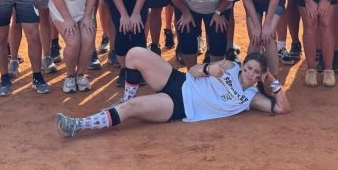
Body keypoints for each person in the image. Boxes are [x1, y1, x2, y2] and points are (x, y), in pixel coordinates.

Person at [56, 49, 289, 137]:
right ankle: (124, 98)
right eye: (248, 68)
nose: (249, 74)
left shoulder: (251, 99)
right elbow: (195, 71)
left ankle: (78, 125)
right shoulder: (229, 67)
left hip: (180, 106)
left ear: (261, 75)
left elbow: (282, 108)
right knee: (135, 54)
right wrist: (210, 68)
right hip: (179, 80)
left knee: (131, 109)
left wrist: (273, 83)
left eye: (256, 73)